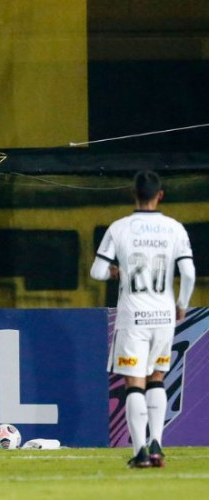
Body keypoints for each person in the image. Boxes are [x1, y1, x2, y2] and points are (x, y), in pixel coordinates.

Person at [90, 169, 195, 469]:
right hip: (163, 314)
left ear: (132, 194)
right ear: (160, 195)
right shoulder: (174, 228)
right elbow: (187, 272)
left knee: (134, 383)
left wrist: (114, 272)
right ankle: (157, 444)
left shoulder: (120, 228)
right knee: (158, 378)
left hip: (133, 314)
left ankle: (140, 453)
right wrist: (182, 305)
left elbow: (97, 272)